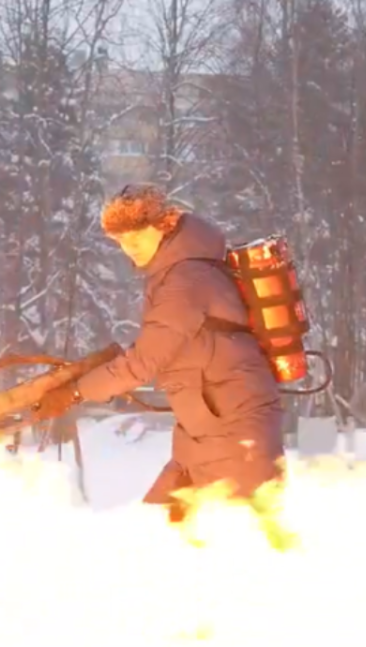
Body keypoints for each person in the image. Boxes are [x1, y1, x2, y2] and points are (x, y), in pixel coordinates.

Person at [35, 183, 285, 518]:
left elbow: (143, 362)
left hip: (234, 433)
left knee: (240, 544)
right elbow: (164, 348)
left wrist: (76, 392)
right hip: (203, 430)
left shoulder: (186, 279)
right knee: (163, 534)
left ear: (162, 225)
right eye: (120, 242)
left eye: (135, 236)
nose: (129, 249)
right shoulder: (177, 272)